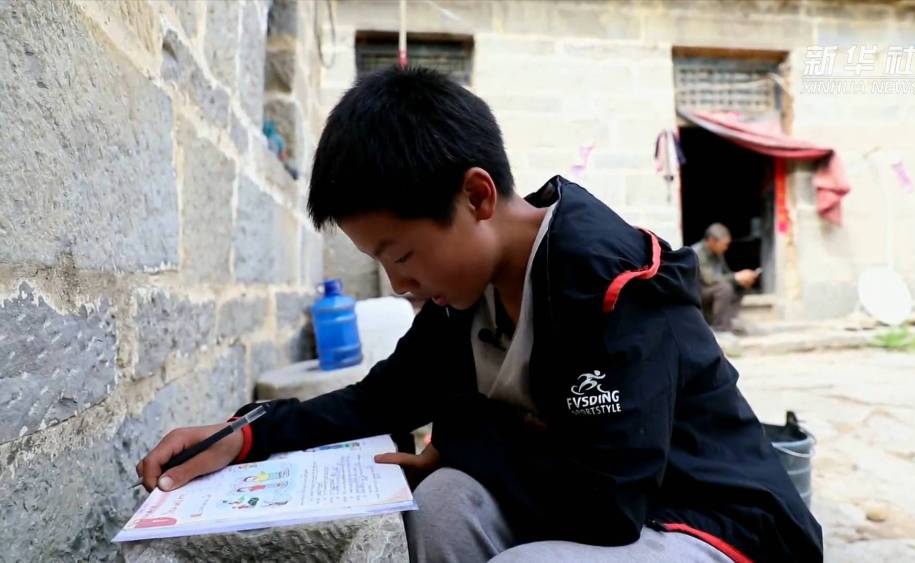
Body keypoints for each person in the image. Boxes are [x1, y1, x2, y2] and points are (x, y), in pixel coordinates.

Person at [137, 66, 821, 562]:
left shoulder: (609, 280)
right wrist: (246, 434)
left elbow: (609, 505)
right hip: (612, 507)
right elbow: (382, 398)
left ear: (477, 197)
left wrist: (465, 434)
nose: (401, 285)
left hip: (719, 526)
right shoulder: (465, 293)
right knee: (442, 503)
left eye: (403, 254)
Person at [691, 224, 759, 333]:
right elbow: (709, 280)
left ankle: (728, 322)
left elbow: (726, 274)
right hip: (697, 293)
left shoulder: (717, 253)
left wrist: (741, 279)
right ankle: (719, 327)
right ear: (712, 241)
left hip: (711, 289)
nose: (726, 248)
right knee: (725, 288)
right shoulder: (697, 253)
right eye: (724, 245)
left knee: (739, 285)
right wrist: (736, 277)